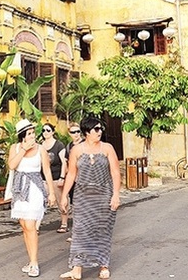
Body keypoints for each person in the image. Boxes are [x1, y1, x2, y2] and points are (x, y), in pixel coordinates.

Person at [59, 117, 121, 280]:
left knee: (102, 230)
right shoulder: (77, 150)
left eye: (101, 129)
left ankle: (103, 266)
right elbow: (71, 174)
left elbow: (115, 172)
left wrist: (116, 195)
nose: (100, 132)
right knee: (80, 231)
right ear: (87, 132)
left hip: (103, 194)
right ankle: (77, 269)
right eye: (96, 129)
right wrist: (64, 195)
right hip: (83, 195)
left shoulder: (107, 148)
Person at [8, 119, 56, 278]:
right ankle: (30, 260)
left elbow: (47, 171)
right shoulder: (14, 148)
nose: (32, 136)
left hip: (35, 188)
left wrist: (51, 192)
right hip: (20, 189)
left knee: (31, 225)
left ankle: (34, 263)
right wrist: (23, 150)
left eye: (33, 133)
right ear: (22, 136)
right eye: (28, 134)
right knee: (24, 225)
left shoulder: (41, 149)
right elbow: (12, 165)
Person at [39, 123, 67, 234]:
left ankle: (64, 223)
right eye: (43, 130)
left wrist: (62, 177)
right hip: (43, 178)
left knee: (61, 201)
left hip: (56, 177)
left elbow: (64, 162)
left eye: (48, 130)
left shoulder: (59, 145)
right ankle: (36, 225)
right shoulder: (40, 145)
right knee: (40, 202)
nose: (45, 132)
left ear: (53, 132)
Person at [64, 122, 83, 242]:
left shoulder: (85, 145)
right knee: (75, 206)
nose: (76, 134)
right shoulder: (69, 147)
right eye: (73, 132)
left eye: (78, 131)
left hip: (83, 179)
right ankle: (76, 232)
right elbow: (66, 163)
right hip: (73, 179)